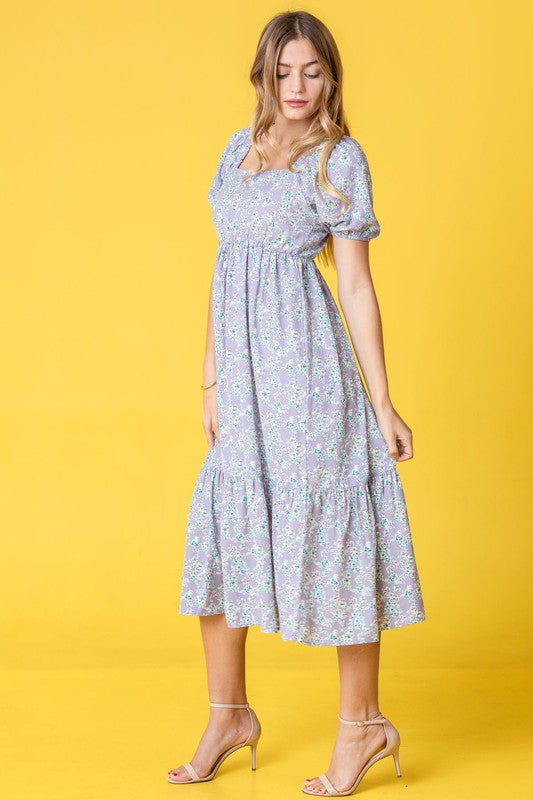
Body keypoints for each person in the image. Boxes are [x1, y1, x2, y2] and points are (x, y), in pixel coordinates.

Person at [169, 10, 426, 796]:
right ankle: (227, 714)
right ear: (263, 75)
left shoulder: (338, 159)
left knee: (337, 542)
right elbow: (226, 267)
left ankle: (361, 728)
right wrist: (209, 378)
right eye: (283, 71)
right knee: (227, 530)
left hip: (308, 379)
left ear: (331, 78)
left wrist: (383, 403)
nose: (296, 87)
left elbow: (354, 285)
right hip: (242, 386)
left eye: (311, 71)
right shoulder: (233, 151)